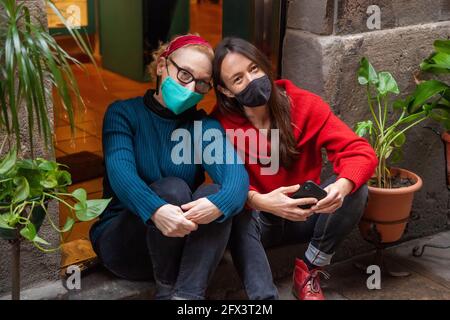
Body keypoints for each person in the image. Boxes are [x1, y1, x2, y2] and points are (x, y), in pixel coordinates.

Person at [212, 37, 378, 300]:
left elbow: (360, 152)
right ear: (226, 91)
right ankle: (264, 298)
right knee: (237, 210)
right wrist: (261, 202)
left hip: (306, 214)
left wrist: (342, 186)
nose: (252, 80)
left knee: (356, 187)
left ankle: (310, 270)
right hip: (260, 222)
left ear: (266, 66)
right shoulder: (218, 125)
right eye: (238, 79)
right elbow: (221, 184)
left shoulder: (304, 105)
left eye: (254, 69)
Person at [89, 35, 249, 300]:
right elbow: (121, 175)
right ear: (163, 65)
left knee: (214, 194)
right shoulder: (123, 114)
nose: (190, 88)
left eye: (201, 84)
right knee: (172, 188)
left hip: (179, 248)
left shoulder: (202, 126)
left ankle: (186, 296)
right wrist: (155, 210)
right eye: (184, 74)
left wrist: (218, 204)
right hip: (125, 246)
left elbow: (237, 180)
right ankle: (166, 291)